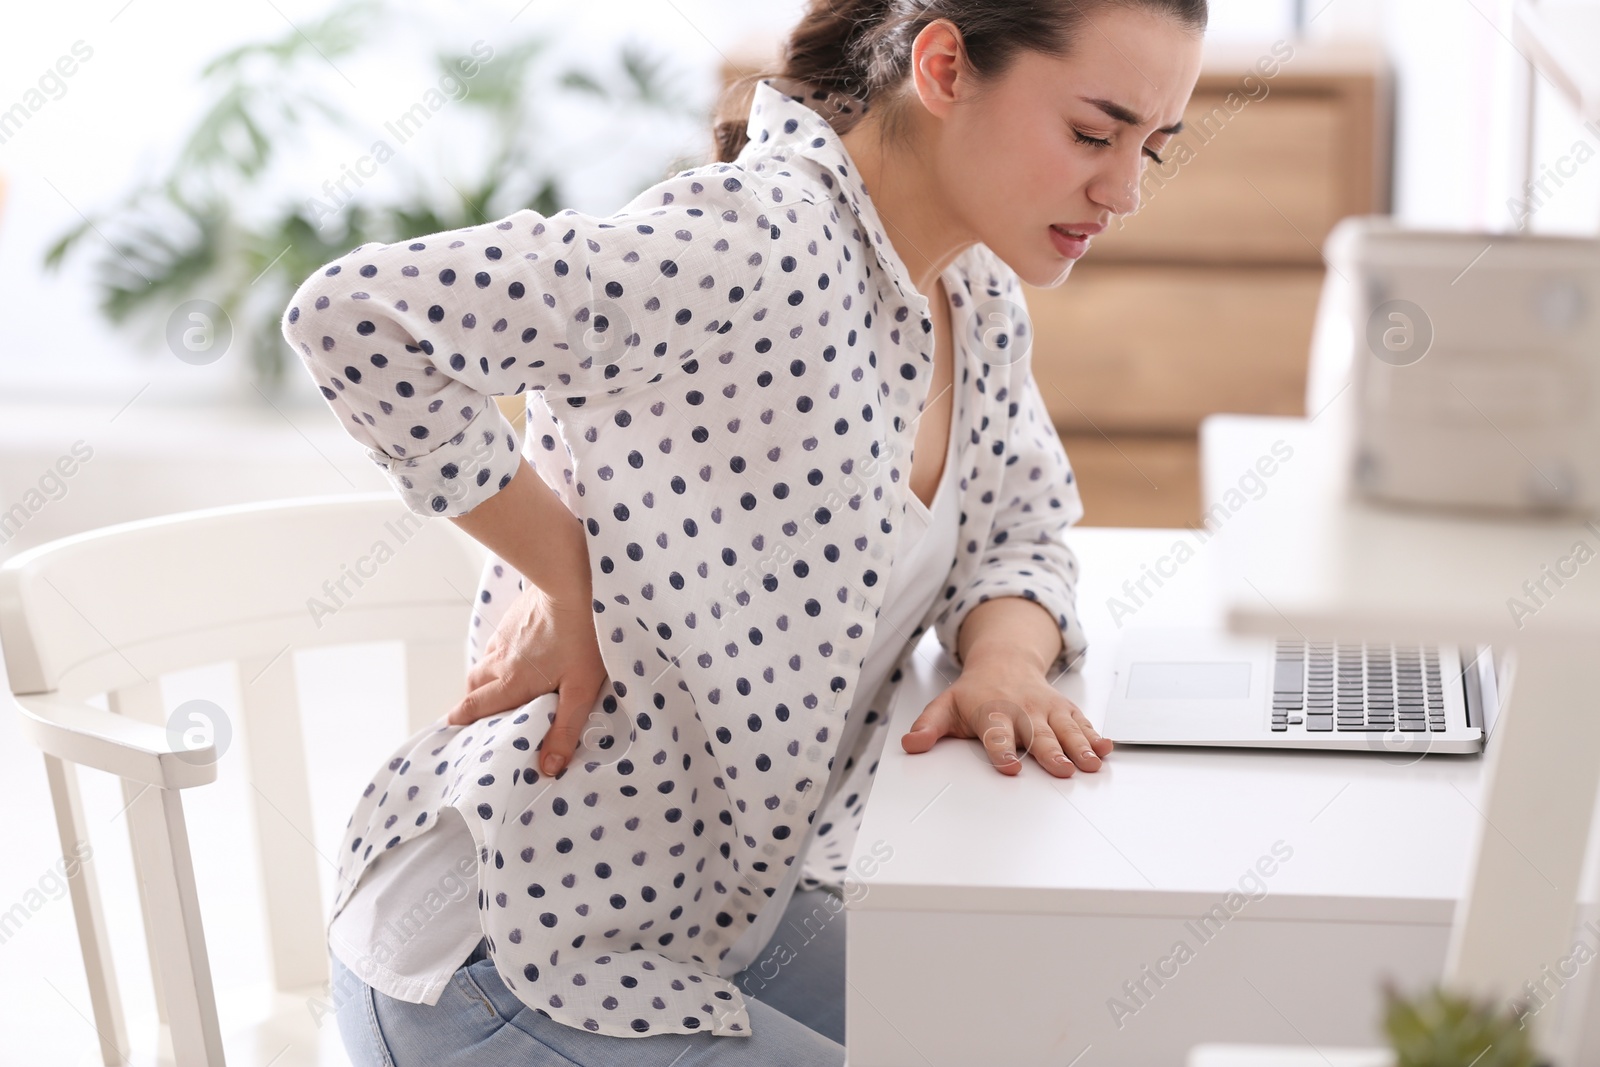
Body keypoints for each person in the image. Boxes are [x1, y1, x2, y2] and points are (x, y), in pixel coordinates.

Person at [280, 0, 1206, 1063]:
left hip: (718, 923)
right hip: (510, 954)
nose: (1123, 190)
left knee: (1082, 1029)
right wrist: (564, 569)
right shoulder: (743, 241)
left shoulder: (978, 296)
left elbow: (1021, 531)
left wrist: (1002, 657)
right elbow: (354, 313)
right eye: (1094, 133)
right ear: (944, 67)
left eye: (1153, 148)